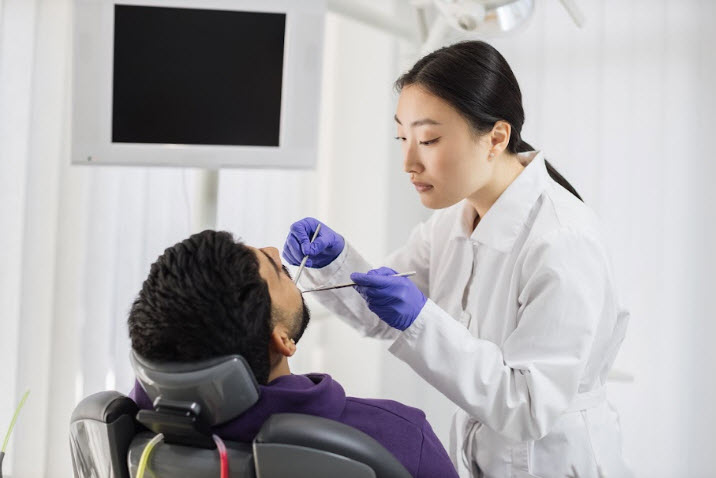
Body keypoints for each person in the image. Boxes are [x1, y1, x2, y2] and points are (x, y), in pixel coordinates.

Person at [282, 41, 632, 478]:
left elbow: (527, 406)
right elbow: (382, 314)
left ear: (497, 137)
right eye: (403, 138)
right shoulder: (453, 223)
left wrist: (420, 320)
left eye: (428, 139)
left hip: (555, 462)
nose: (409, 162)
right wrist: (333, 263)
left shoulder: (563, 242)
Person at [127, 230, 458, 478]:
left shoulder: (133, 427)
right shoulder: (398, 436)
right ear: (282, 340)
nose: (275, 250)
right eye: (276, 268)